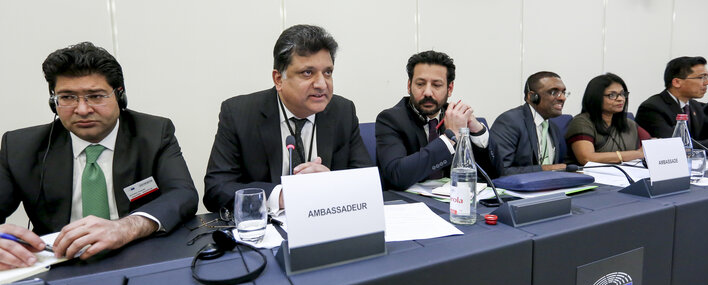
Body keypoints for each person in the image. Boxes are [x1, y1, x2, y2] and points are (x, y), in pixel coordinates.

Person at [0, 42, 198, 270]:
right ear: (54, 102)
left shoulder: (153, 133)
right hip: (62, 266)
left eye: (96, 96)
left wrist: (126, 227)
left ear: (119, 96)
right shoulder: (22, 148)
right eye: (67, 97)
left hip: (142, 256)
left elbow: (183, 193)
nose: (82, 109)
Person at [203, 24, 371, 212]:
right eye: (307, 72)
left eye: (328, 72)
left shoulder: (342, 111)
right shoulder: (239, 113)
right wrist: (281, 197)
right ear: (278, 79)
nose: (322, 84)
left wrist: (331, 184)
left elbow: (367, 183)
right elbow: (216, 190)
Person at [375, 50, 500, 190]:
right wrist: (449, 138)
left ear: (450, 88)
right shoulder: (391, 119)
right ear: (409, 85)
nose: (428, 92)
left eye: (436, 85)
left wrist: (478, 132)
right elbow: (396, 175)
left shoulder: (454, 116)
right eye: (420, 84)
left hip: (453, 202)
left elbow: (493, 177)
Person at [636, 56, 708, 153]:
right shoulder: (652, 108)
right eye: (701, 77)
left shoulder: (694, 105)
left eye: (707, 77)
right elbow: (675, 144)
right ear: (677, 82)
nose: (707, 82)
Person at [490, 71, 568, 175]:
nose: (562, 98)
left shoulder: (553, 127)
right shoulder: (509, 121)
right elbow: (501, 170)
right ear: (532, 96)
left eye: (563, 92)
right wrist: (546, 169)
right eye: (553, 92)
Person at [565, 73, 645, 165]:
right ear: (596, 97)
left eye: (623, 94)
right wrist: (637, 154)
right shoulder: (582, 122)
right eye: (612, 95)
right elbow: (586, 158)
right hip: (590, 177)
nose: (620, 99)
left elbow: (650, 145)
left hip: (625, 176)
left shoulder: (629, 124)